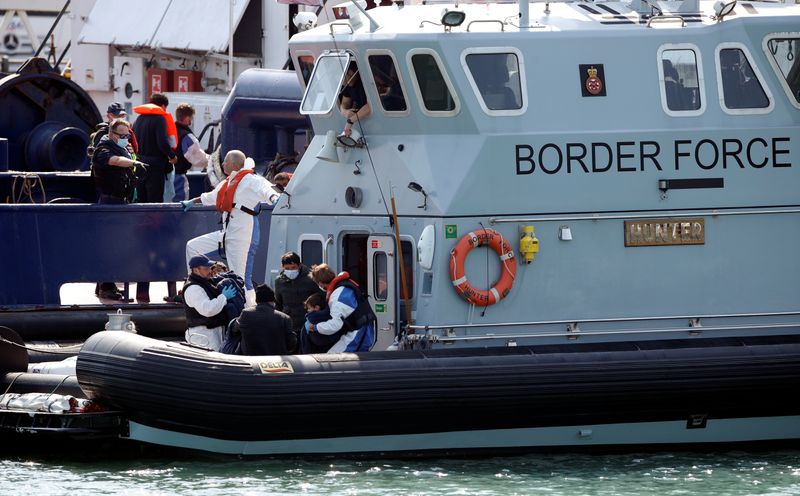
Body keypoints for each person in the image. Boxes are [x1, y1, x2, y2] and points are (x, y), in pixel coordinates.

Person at [181, 150, 278, 307]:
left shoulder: (251, 180)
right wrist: (192, 201)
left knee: (240, 276)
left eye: (225, 161)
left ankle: (248, 310)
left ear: (233, 164)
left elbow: (266, 189)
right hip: (226, 233)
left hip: (242, 234)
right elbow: (210, 196)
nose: (222, 163)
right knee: (193, 246)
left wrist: (274, 198)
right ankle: (197, 285)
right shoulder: (228, 182)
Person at [91, 118, 149, 301]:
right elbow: (114, 161)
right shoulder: (103, 149)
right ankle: (106, 287)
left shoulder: (124, 148)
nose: (126, 138)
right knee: (109, 245)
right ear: (111, 134)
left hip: (121, 201)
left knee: (117, 245)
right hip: (109, 203)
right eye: (122, 135)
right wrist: (132, 163)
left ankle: (103, 285)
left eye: (128, 135)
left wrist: (132, 158)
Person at [132, 92, 178, 303]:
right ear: (163, 105)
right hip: (155, 166)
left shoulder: (139, 119)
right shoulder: (159, 118)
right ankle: (155, 224)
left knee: (142, 201)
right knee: (156, 202)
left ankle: (145, 223)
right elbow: (162, 142)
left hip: (140, 165)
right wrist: (171, 155)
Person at [308, 264, 376, 353]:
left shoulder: (338, 296)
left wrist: (315, 327)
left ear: (320, 283)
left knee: (331, 359)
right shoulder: (345, 286)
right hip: (364, 329)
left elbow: (335, 325)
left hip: (359, 333)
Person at [183, 255, 238, 351]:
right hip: (203, 336)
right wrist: (224, 297)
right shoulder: (193, 288)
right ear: (196, 270)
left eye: (210, 267)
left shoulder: (206, 283)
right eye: (206, 268)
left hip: (212, 333)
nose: (209, 270)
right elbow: (208, 309)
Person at [274, 251, 324, 349]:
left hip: (308, 324)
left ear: (299, 265)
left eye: (293, 268)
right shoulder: (279, 282)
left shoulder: (310, 279)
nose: (290, 271)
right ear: (282, 267)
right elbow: (278, 304)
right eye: (287, 268)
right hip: (289, 326)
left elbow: (320, 297)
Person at [234, 284, 296, 355]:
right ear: (273, 300)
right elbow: (291, 343)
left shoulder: (246, 314)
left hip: (251, 361)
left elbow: (234, 330)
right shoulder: (284, 318)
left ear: (257, 300)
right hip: (276, 363)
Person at [172, 103, 209, 202]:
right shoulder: (187, 137)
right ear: (187, 118)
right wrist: (212, 160)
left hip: (166, 176)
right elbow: (198, 159)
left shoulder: (170, 131)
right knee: (180, 206)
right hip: (178, 177)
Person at [339, 62, 371, 138]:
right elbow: (345, 102)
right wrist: (344, 111)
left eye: (343, 79)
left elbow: (371, 106)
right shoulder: (348, 84)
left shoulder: (365, 80)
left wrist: (350, 121)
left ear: (350, 72)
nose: (343, 84)